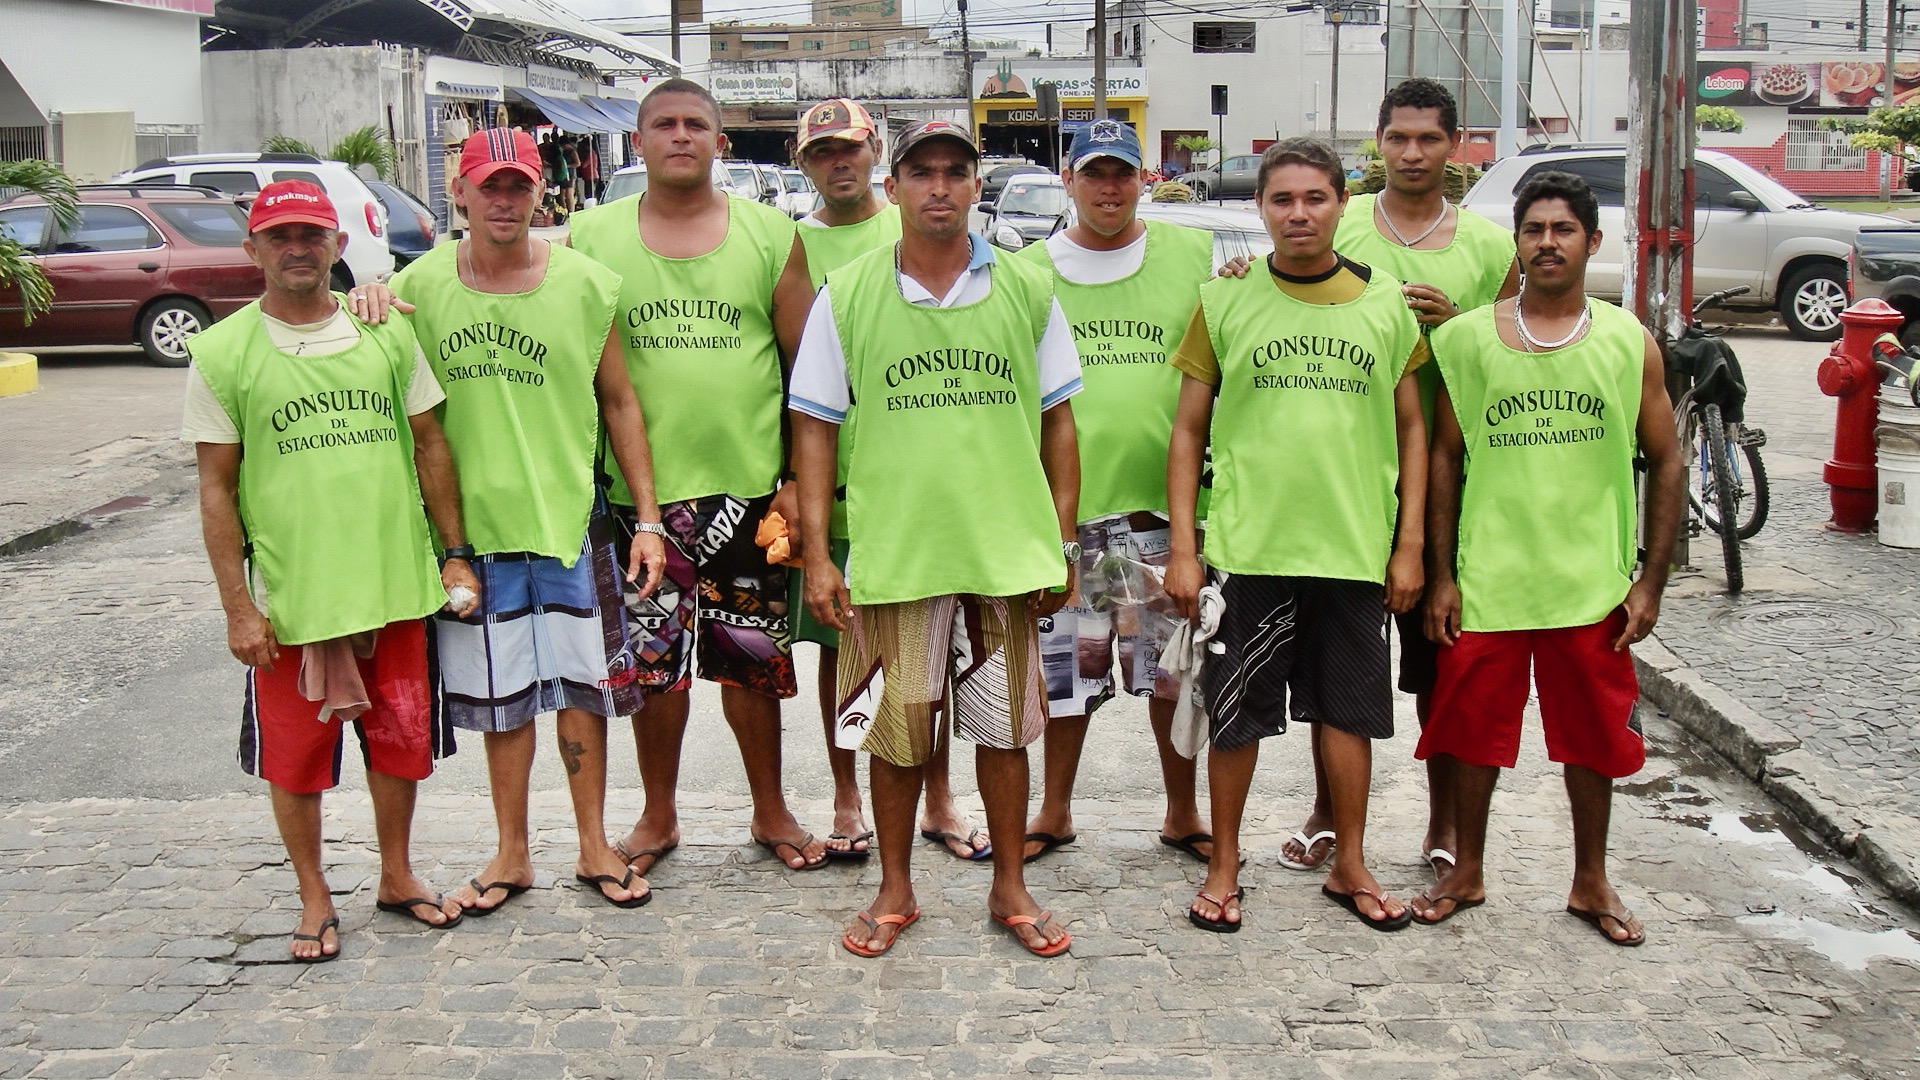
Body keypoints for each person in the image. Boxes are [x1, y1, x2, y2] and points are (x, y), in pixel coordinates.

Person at [344, 128, 672, 911]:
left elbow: (620, 401)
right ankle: (511, 852)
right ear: (459, 191)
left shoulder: (588, 284)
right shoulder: (417, 290)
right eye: (488, 185)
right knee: (504, 699)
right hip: (471, 537)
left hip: (567, 518)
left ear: (539, 193)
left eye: (518, 186)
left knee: (583, 690)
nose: (503, 200)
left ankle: (595, 844)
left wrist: (650, 519)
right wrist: (363, 299)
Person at [789, 120, 1081, 959]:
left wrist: (1059, 541)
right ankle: (894, 887)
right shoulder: (847, 293)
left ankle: (1010, 885)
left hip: (1004, 554)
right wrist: (819, 553)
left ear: (976, 185)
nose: (941, 188)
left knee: (1005, 730)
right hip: (896, 558)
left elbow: (1061, 424)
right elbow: (813, 428)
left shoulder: (1027, 288)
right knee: (895, 733)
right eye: (924, 173)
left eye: (957, 172)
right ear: (895, 186)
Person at [183, 180, 480, 960]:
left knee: (401, 741)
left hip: (393, 583)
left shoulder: (383, 332)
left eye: (312, 235)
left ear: (338, 247)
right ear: (253, 251)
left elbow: (429, 445)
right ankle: (314, 895)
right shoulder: (222, 354)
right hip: (294, 599)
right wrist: (237, 608)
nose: (297, 249)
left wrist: (453, 553)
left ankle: (397, 873)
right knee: (296, 757)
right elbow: (215, 486)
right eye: (279, 237)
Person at [1165, 137, 1428, 933]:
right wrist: (1185, 547)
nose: (1299, 213)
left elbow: (1414, 429)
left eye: (1315, 198)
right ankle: (1223, 863)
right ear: (1262, 208)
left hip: (1350, 548)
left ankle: (1349, 862)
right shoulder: (1225, 301)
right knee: (1234, 714)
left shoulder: (1387, 304)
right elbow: (1186, 433)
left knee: (1348, 715)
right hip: (1251, 547)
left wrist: (1409, 542)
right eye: (1283, 199)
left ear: (1342, 203)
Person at [1412, 171, 1683, 943]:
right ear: (1517, 243)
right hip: (1490, 581)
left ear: (1593, 242)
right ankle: (1466, 868)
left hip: (1588, 585)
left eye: (1564, 230)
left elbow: (1666, 460)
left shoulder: (1628, 344)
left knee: (1593, 738)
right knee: (1469, 732)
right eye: (1534, 230)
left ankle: (1591, 880)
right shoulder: (1466, 341)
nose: (1548, 243)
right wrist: (1442, 575)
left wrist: (1648, 580)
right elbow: (1443, 461)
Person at [568, 78, 826, 873]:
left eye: (696, 126)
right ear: (636, 142)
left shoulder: (770, 234)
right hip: (638, 506)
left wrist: (789, 476)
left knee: (751, 660)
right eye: (663, 125)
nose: (680, 136)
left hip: (747, 498)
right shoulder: (587, 236)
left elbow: (805, 368)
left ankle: (771, 810)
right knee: (653, 671)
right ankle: (657, 815)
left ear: (721, 144)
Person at [1277, 78, 1522, 883]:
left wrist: (1461, 325)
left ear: (1455, 146)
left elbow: (1514, 348)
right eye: (1398, 138)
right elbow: (1282, 285)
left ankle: (1443, 817)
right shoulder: (1335, 220)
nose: (1412, 153)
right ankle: (1326, 808)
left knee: (1437, 662)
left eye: (1429, 139)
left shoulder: (1489, 248)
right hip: (1342, 477)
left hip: (1452, 480)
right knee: (1332, 661)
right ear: (1376, 144)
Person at [769, 98, 988, 863]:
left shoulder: (920, 224)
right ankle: (846, 793)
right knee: (846, 644)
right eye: (821, 152)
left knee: (940, 643)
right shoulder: (795, 247)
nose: (837, 163)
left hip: (925, 477)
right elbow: (793, 380)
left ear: (876, 163)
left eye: (849, 149)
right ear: (802, 163)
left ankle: (939, 797)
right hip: (844, 477)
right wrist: (796, 483)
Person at [1010, 119, 1218, 866]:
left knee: (1173, 678)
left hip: (1163, 513)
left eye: (1122, 174)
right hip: (1067, 515)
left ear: (1143, 180)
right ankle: (1055, 810)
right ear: (1068, 180)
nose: (1108, 188)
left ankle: (1183, 811)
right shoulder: (1030, 272)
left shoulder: (1193, 257)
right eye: (1093, 173)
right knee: (1067, 677)